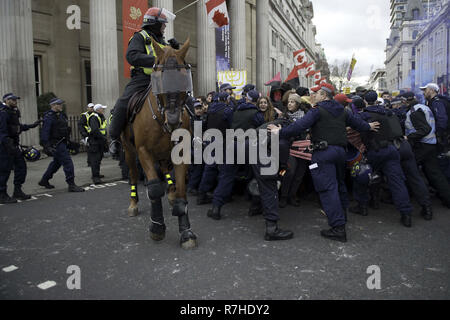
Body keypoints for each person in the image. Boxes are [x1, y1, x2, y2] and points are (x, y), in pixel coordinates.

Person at [269, 83, 380, 243]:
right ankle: (342, 217)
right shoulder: (342, 110)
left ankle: (338, 227)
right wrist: (368, 126)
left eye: (316, 93)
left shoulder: (317, 110)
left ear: (324, 95)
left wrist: (279, 132)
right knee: (339, 185)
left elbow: (299, 126)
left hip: (323, 153)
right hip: (340, 153)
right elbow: (358, 123)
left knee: (328, 189)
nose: (313, 96)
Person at [109, 7, 178, 158]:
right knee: (122, 103)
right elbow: (132, 56)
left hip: (162, 80)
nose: (165, 26)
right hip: (143, 80)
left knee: (184, 99)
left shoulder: (163, 42)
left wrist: (175, 49)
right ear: (154, 24)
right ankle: (114, 139)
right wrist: (156, 61)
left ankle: (192, 134)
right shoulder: (139, 37)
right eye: (163, 24)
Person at [351, 90, 414, 227]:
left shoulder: (363, 116)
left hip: (374, 151)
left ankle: (362, 205)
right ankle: (406, 213)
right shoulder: (388, 112)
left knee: (360, 176)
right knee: (396, 181)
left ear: (366, 101)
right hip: (391, 149)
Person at [206, 90, 264, 220]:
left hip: (232, 145)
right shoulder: (256, 113)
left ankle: (216, 207)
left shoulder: (235, 110)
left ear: (246, 99)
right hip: (249, 146)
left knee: (226, 176)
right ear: (256, 101)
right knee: (257, 175)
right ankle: (255, 205)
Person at [404, 92, 450, 208]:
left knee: (410, 170)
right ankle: (447, 198)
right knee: (435, 173)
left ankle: (413, 199)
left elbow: (425, 129)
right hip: (431, 144)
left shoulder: (414, 111)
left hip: (422, 145)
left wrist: (408, 137)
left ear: (405, 101)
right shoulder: (423, 107)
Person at [0, 93, 41, 204]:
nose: (15, 101)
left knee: (21, 167)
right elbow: (2, 132)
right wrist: (8, 145)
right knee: (4, 170)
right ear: (6, 100)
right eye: (13, 100)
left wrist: (32, 125)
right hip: (5, 147)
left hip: (14, 145)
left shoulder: (13, 112)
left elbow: (18, 127)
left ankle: (17, 190)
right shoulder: (3, 113)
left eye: (15, 99)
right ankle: (2, 194)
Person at [38, 98, 84, 192]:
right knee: (68, 162)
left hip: (63, 142)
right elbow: (45, 133)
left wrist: (70, 143)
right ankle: (71, 184)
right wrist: (46, 146)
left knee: (56, 163)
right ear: (53, 106)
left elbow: (65, 130)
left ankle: (44, 180)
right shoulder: (49, 117)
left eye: (61, 104)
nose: (61, 106)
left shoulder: (61, 115)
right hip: (56, 144)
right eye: (59, 104)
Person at [196, 92, 233, 205]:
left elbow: (205, 124)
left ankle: (202, 194)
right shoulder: (228, 111)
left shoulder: (211, 110)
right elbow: (231, 126)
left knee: (209, 168)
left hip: (210, 140)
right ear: (226, 100)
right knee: (224, 170)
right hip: (222, 141)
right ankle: (222, 195)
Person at [279, 94, 311, 208]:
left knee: (299, 174)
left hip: (303, 147)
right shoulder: (284, 116)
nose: (289, 104)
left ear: (298, 104)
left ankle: (292, 196)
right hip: (290, 148)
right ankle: (283, 196)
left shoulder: (307, 116)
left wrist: (309, 133)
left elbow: (312, 127)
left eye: (292, 102)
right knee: (290, 171)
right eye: (289, 102)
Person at [187, 101, 207, 195]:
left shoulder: (199, 118)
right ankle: (192, 186)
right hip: (195, 147)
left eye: (200, 108)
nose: (199, 110)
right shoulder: (194, 120)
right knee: (199, 166)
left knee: (195, 167)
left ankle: (192, 185)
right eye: (197, 109)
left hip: (194, 147)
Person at [88, 104, 108, 185]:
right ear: (98, 109)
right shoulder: (94, 117)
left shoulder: (100, 117)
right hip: (94, 141)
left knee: (99, 159)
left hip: (99, 141)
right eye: (102, 108)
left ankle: (97, 174)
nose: (103, 110)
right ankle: (95, 177)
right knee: (95, 160)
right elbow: (95, 130)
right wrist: (103, 138)